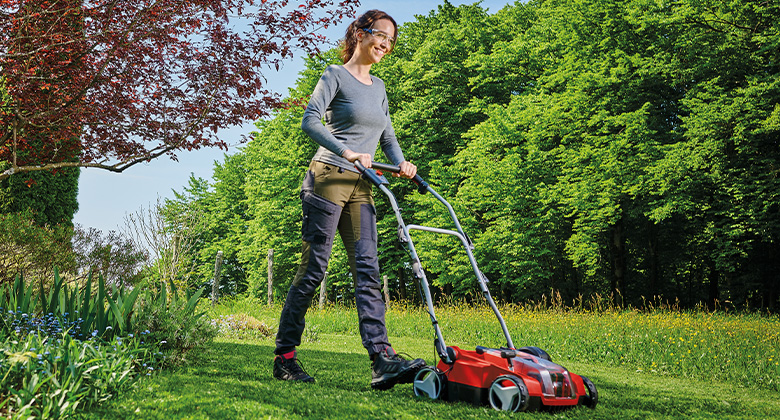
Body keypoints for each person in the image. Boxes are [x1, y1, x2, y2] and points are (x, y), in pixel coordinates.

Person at [272, 10, 426, 390]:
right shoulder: (334, 75)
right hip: (327, 178)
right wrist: (348, 151)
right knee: (314, 270)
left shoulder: (379, 87)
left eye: (392, 41)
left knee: (368, 271)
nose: (386, 46)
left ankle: (381, 360)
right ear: (360, 33)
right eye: (381, 37)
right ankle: (285, 357)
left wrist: (402, 162)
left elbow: (386, 136)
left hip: (363, 185)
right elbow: (310, 120)